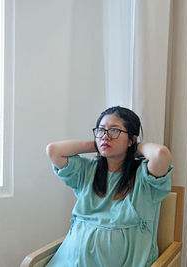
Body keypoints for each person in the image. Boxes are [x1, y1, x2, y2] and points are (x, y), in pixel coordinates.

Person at [45, 106, 173, 267]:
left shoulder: (143, 177)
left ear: (132, 139)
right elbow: (53, 150)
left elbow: (161, 154)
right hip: (70, 260)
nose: (106, 136)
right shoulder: (86, 170)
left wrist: (134, 147)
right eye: (100, 130)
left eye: (114, 131)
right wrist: (98, 144)